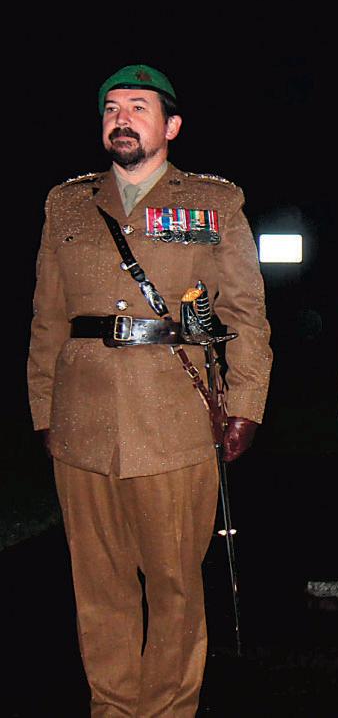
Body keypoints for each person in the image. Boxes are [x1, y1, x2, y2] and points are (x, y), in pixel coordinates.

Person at [27, 64, 272, 716]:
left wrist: (245, 403)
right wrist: (43, 407)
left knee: (173, 584)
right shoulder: (67, 203)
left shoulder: (213, 202)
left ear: (172, 125)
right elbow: (47, 317)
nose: (122, 118)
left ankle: (167, 708)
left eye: (139, 106)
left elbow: (242, 313)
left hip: (173, 418)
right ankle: (111, 706)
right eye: (112, 107)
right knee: (98, 586)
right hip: (82, 418)